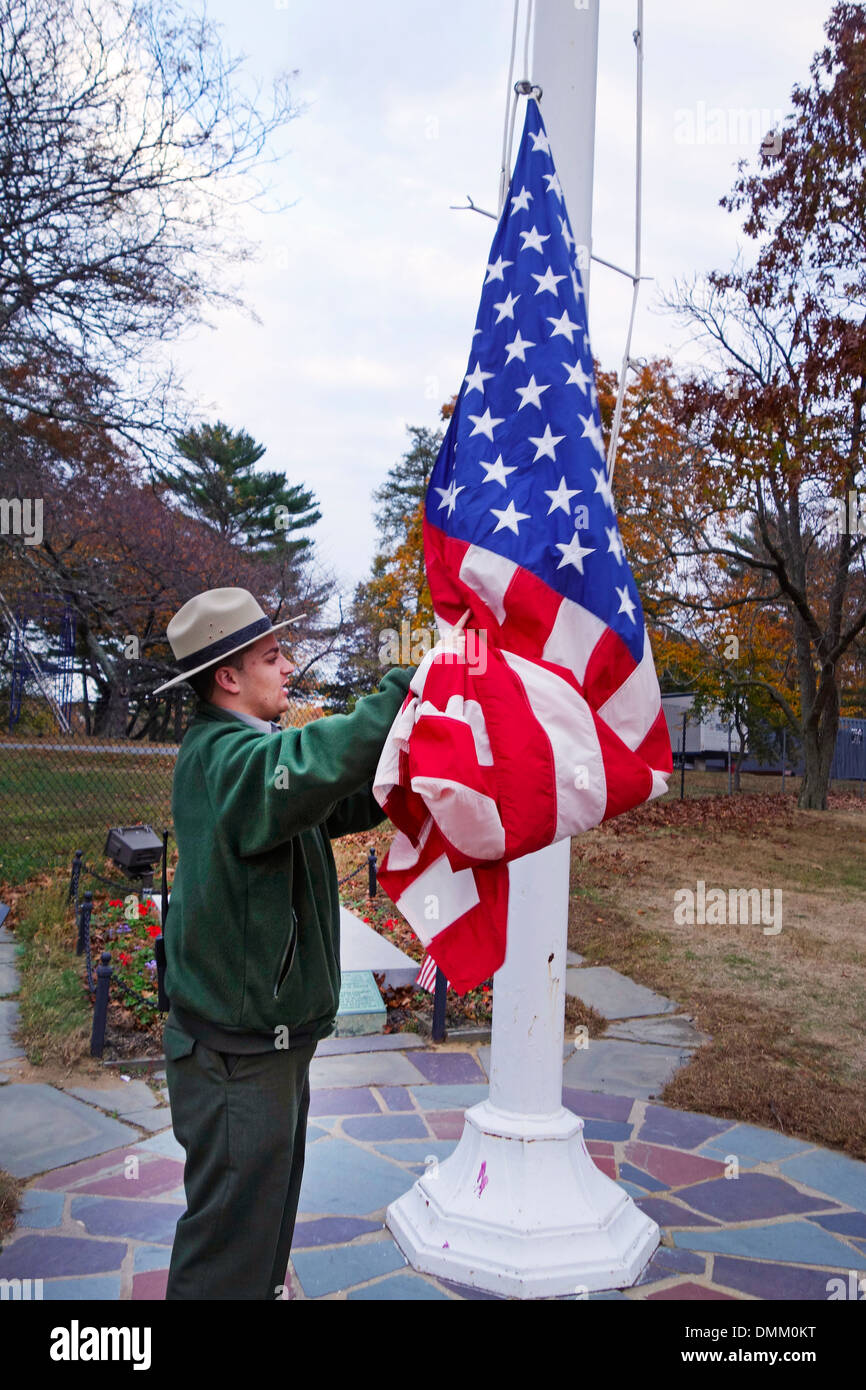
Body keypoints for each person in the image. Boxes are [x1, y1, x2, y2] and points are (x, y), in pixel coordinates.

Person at [152, 586, 417, 1300]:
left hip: (266, 1049)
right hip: (237, 1062)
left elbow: (334, 795)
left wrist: (410, 771)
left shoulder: (256, 760)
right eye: (273, 657)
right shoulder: (225, 760)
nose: (291, 667)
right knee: (228, 1255)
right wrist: (405, 685)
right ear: (228, 678)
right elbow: (307, 766)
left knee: (260, 1234)